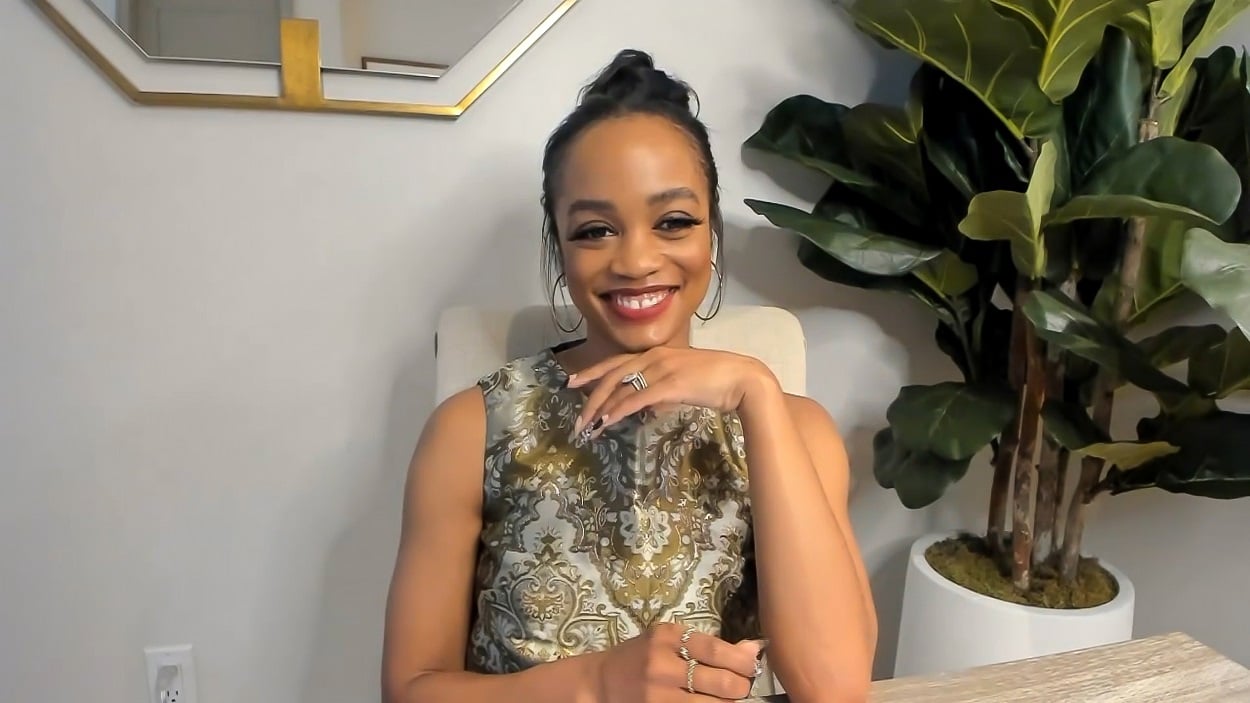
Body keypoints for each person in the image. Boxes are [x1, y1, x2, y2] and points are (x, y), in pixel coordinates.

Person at [381, 49, 877, 703]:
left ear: (711, 233)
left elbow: (836, 688)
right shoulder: (470, 428)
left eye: (673, 221)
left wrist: (756, 393)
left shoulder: (795, 428)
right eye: (595, 230)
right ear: (559, 247)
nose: (637, 260)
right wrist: (595, 680)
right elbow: (410, 691)